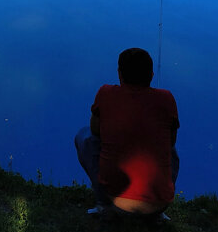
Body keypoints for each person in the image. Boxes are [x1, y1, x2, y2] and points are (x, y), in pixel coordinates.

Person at [74, 48, 179, 217]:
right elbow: (172, 141)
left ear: (119, 74)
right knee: (171, 148)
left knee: (85, 137)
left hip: (115, 203)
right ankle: (156, 208)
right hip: (159, 206)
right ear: (152, 76)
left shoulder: (106, 93)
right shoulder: (167, 99)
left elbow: (95, 130)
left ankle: (103, 204)